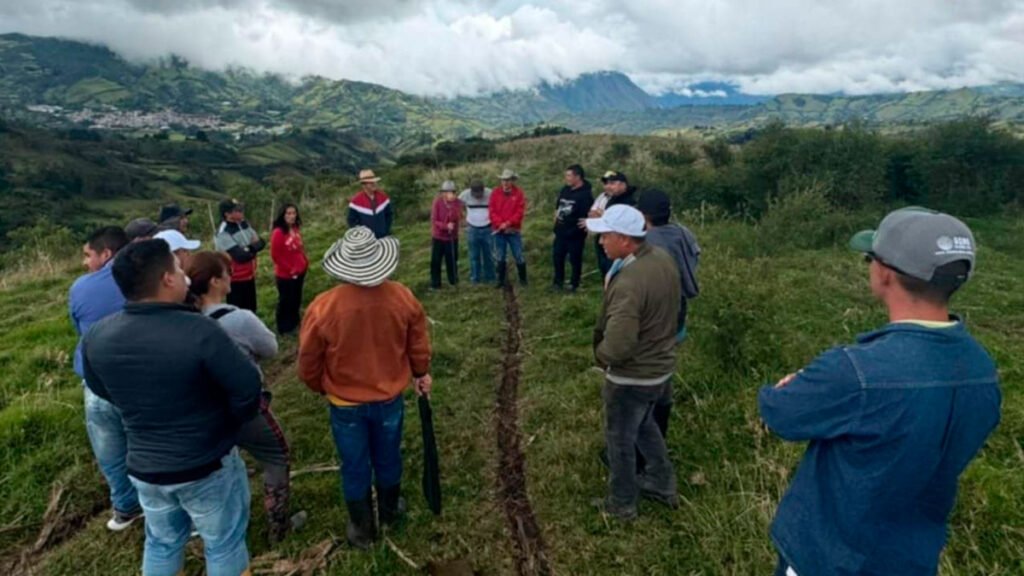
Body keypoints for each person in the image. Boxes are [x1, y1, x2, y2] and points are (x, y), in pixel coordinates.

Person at [759, 207, 1001, 576]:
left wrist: (794, 383)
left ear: (885, 273)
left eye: (870, 257)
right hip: (910, 558)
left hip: (830, 556)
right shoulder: (982, 369)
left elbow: (780, 413)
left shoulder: (856, 370)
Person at [82, 239, 263, 576]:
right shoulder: (200, 330)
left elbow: (100, 389)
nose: (185, 275)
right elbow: (248, 387)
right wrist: (229, 422)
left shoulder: (97, 336)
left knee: (162, 542)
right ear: (167, 279)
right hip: (206, 464)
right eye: (179, 269)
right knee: (223, 542)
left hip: (145, 470)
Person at [298, 227, 432, 550]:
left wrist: (321, 387)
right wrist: (420, 372)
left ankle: (361, 528)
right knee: (388, 455)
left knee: (354, 463)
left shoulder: (323, 307)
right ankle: (389, 512)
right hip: (389, 398)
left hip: (344, 403)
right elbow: (417, 343)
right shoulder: (402, 296)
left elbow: (308, 361)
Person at [187, 251, 300, 544]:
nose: (231, 276)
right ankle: (279, 528)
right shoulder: (239, 319)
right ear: (215, 281)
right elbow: (272, 349)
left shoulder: (185, 320)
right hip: (245, 406)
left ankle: (222, 525)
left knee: (223, 463)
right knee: (277, 455)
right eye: (227, 272)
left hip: (205, 410)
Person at [586, 205, 680, 521]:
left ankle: (622, 504)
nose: (600, 242)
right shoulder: (662, 260)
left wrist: (602, 355)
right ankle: (661, 482)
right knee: (645, 427)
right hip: (661, 368)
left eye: (605, 235)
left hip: (633, 376)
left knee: (620, 440)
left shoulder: (629, 281)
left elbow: (621, 341)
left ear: (625, 239)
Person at [68, 226, 141, 531]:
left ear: (106, 254)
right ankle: (166, 503)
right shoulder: (144, 278)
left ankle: (125, 506)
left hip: (96, 382)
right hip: (139, 379)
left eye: (88, 255)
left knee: (109, 449)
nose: (85, 262)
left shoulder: (80, 288)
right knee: (148, 442)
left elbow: (79, 328)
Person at [636, 189, 700, 342]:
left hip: (656, 308)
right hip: (680, 300)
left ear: (643, 214)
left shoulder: (645, 242)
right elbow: (695, 256)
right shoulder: (683, 232)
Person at [214, 198, 265, 312]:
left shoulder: (243, 223)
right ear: (227, 214)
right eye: (237, 210)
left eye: (241, 209)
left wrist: (248, 249)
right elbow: (241, 257)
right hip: (235, 280)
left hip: (249, 275)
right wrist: (252, 247)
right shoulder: (223, 233)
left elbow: (262, 242)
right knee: (239, 311)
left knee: (252, 308)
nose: (241, 212)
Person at [552, 164, 594, 293]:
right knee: (557, 257)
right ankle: (558, 282)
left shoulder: (586, 195)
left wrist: (579, 228)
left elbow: (586, 215)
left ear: (578, 177)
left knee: (575, 259)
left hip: (575, 234)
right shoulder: (565, 189)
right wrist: (556, 217)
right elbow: (558, 205)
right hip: (560, 231)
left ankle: (574, 283)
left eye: (569, 175)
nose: (567, 178)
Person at [270, 203, 309, 334]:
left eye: (294, 213)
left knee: (296, 298)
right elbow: (275, 255)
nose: (292, 216)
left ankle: (295, 321)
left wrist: (304, 261)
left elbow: (299, 247)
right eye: (288, 213)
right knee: (286, 300)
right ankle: (283, 327)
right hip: (286, 275)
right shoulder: (278, 233)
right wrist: (290, 269)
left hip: (300, 270)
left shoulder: (295, 228)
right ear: (283, 215)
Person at [591, 171, 637, 277]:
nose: (607, 187)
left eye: (612, 183)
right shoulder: (611, 198)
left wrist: (603, 216)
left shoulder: (631, 200)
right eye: (606, 184)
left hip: (619, 244)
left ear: (623, 184)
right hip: (605, 241)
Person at [489, 169, 528, 288]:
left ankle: (523, 280)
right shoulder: (495, 193)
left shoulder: (519, 193)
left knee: (518, 255)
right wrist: (499, 223)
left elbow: (519, 212)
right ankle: (500, 281)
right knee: (500, 256)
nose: (505, 182)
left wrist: (508, 223)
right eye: (503, 180)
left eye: (508, 180)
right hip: (499, 231)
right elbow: (492, 211)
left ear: (512, 181)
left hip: (513, 231)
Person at [459, 178, 495, 285]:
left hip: (488, 228)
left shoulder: (491, 194)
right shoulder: (465, 195)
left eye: (480, 193)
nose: (478, 196)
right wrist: (461, 218)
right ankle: (475, 278)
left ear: (483, 190)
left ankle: (490, 277)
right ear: (471, 191)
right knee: (474, 255)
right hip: (472, 229)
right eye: (475, 194)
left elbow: (498, 206)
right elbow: (456, 206)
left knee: (489, 254)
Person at [430, 180, 462, 289]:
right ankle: (435, 284)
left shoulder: (457, 202)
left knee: (452, 259)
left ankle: (453, 280)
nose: (447, 194)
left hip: (452, 237)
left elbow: (456, 217)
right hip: (438, 237)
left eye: (450, 192)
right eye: (445, 192)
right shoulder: (437, 202)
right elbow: (434, 220)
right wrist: (445, 226)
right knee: (436, 261)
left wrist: (452, 206)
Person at [347, 169, 394, 238]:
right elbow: (351, 221)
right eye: (371, 183)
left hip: (383, 236)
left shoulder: (383, 197)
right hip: (366, 240)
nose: (374, 184)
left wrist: (386, 230)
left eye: (374, 182)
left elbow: (389, 215)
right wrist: (361, 235)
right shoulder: (355, 202)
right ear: (364, 185)